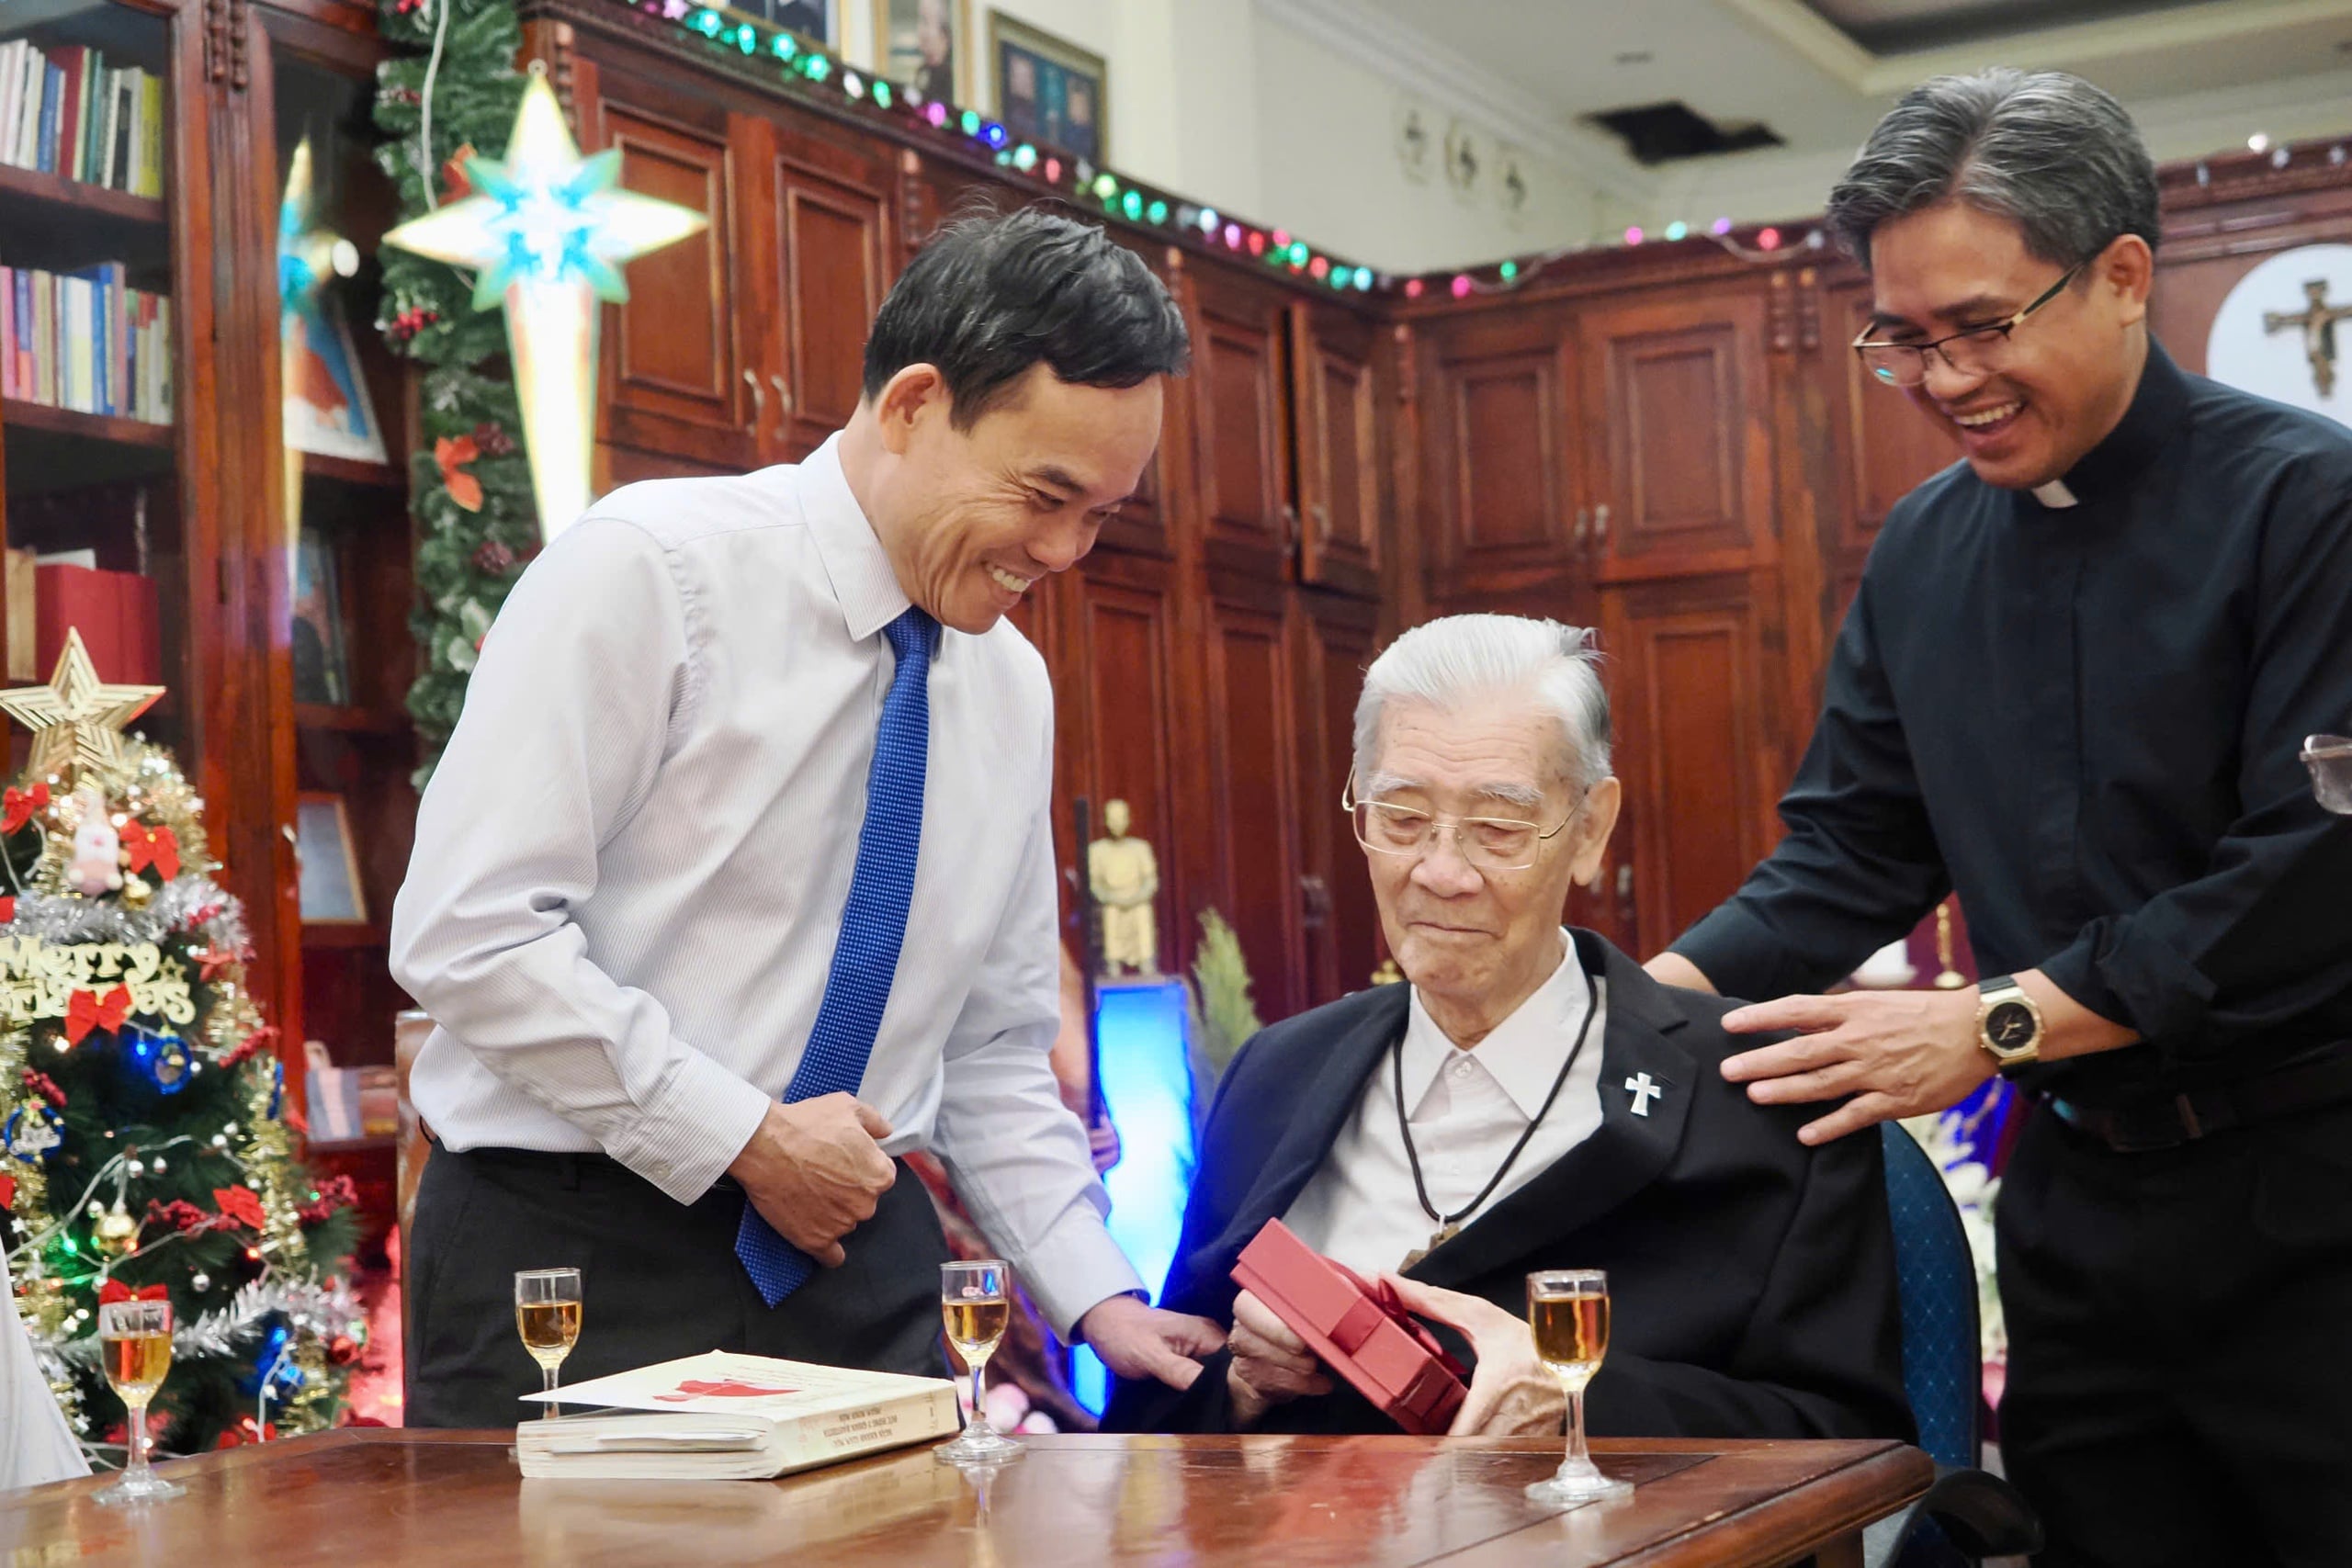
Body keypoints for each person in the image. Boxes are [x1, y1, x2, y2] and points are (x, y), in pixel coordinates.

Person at [1643, 71, 2352, 1568]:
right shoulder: (1922, 553)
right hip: (2080, 1223)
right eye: (1903, 335)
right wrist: (1630, 1017)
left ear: (2121, 276)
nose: (1943, 375)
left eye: (1982, 324)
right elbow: (1848, 851)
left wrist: (1991, 1027)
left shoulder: (2312, 507)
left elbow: (2311, 864)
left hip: (2318, 1211)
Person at [391, 208, 1222, 1427]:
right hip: (572, 1257)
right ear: (913, 406)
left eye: (1100, 514)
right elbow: (471, 932)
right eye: (1044, 493)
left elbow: (990, 1047)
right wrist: (742, 1135)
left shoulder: (1009, 685)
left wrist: (1101, 1297)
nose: (1062, 549)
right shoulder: (646, 571)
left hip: (858, 1263)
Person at [1108, 615, 1909, 1442]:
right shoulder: (1278, 1073)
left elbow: (1856, 1444)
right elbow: (1152, 1423)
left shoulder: (1764, 1094)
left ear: (1591, 828)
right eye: (1402, 817)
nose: (1442, 872)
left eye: (1497, 827)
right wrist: (1242, 1385)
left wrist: (1578, 1401)